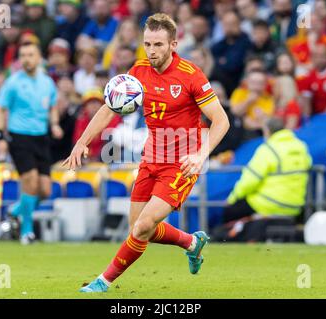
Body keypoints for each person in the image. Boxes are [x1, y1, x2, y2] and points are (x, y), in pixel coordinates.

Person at [64, 13, 230, 293]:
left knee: (143, 227)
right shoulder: (138, 71)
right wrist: (82, 141)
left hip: (182, 163)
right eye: (148, 44)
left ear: (173, 44)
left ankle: (103, 281)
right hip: (151, 158)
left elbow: (221, 120)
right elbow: (108, 108)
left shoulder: (191, 76)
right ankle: (191, 242)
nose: (152, 51)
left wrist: (201, 155)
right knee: (139, 230)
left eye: (158, 45)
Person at [0, 42, 63, 245]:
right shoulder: (13, 82)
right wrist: (0, 136)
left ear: (39, 57)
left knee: (45, 191)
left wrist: (55, 124)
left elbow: (52, 106)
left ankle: (15, 211)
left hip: (41, 138)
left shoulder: (47, 82)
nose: (26, 59)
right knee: (30, 181)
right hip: (19, 136)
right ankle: (27, 231)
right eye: (23, 55)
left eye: (30, 54)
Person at [223, 117, 311, 226]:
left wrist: (232, 199)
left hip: (268, 204)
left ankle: (227, 238)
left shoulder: (268, 149)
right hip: (295, 206)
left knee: (230, 211)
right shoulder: (301, 146)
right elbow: (308, 165)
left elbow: (249, 181)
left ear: (267, 131)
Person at [230, 70, 275, 140]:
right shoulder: (239, 93)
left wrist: (254, 123)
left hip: (260, 133)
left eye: (260, 83)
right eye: (253, 82)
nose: (256, 86)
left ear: (265, 84)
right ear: (247, 82)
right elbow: (234, 112)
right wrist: (248, 101)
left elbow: (267, 119)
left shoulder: (268, 98)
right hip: (240, 133)